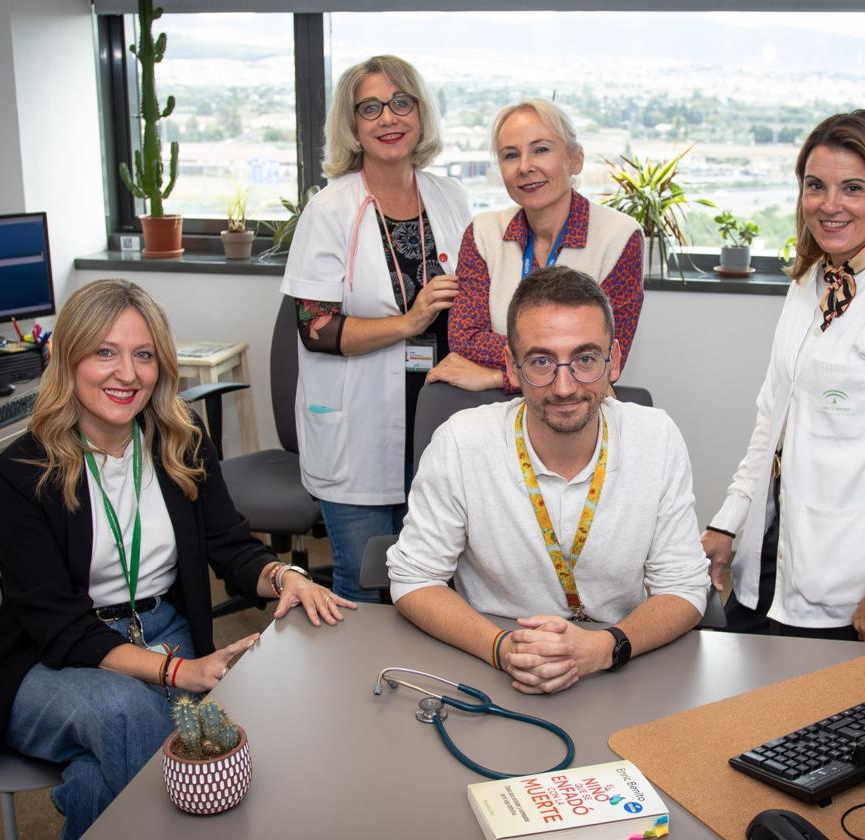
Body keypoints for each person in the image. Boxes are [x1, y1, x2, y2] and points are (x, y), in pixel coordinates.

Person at [0, 279, 356, 839]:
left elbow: (229, 544)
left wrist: (284, 575)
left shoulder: (180, 442)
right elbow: (58, 625)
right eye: (104, 353)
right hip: (47, 658)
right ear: (67, 360)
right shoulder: (23, 471)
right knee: (134, 719)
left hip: (162, 627)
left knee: (104, 778)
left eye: (143, 355)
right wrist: (177, 671)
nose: (127, 373)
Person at [702, 110, 865, 644]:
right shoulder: (812, 282)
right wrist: (730, 521)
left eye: (853, 188)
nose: (829, 203)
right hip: (777, 552)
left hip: (855, 575)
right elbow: (771, 421)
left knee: (824, 723)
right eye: (815, 186)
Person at [387, 267, 709, 694]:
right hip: (492, 660)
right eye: (540, 361)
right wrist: (503, 648)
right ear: (511, 367)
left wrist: (603, 649)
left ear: (612, 361)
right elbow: (415, 578)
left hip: (620, 661)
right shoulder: (462, 442)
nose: (564, 386)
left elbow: (683, 588)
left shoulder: (657, 437)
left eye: (585, 359)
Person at [282, 55, 470, 602]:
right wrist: (408, 322)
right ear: (353, 125)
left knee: (434, 584)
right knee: (363, 585)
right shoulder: (331, 209)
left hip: (437, 415)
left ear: (420, 113)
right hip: (357, 427)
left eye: (401, 102)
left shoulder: (449, 198)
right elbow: (313, 326)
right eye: (371, 108)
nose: (389, 118)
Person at [428, 99, 644, 392]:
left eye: (540, 150)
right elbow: (465, 340)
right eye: (510, 155)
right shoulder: (483, 234)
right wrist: (563, 358)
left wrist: (498, 376)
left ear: (575, 160)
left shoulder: (619, 238)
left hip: (577, 414)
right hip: (492, 415)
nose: (525, 167)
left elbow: (604, 360)